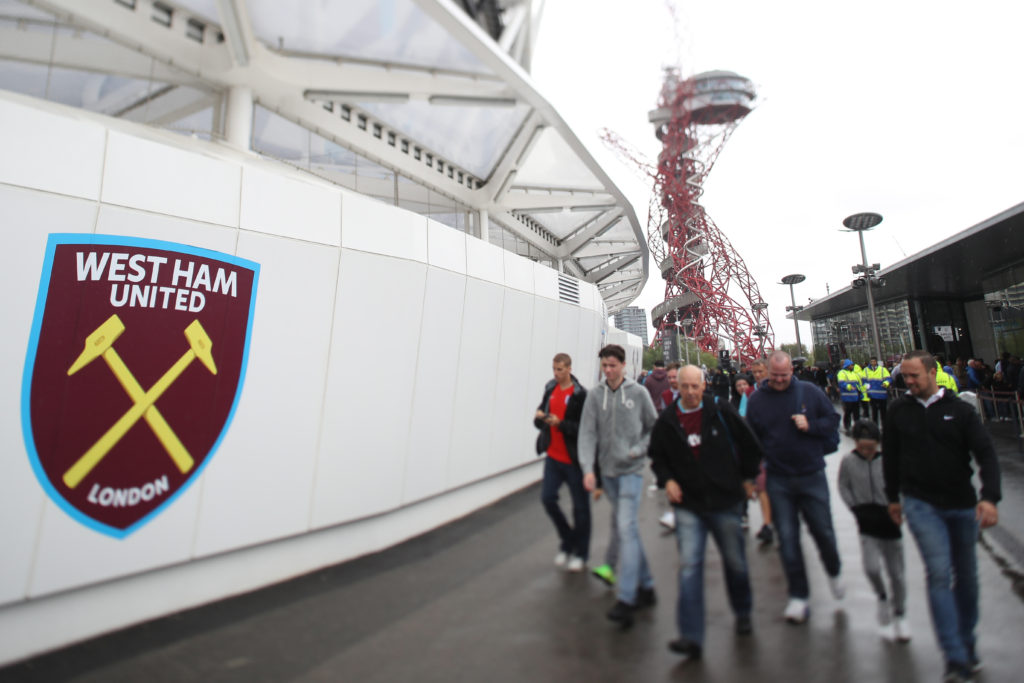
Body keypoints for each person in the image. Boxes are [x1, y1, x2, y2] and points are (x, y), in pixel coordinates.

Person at [884, 350, 1001, 682]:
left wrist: (989, 497)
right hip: (921, 504)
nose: (907, 382)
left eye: (914, 376)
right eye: (904, 376)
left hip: (961, 504)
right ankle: (954, 656)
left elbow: (986, 456)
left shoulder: (961, 411)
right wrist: (893, 498)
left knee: (966, 577)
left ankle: (967, 643)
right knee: (938, 573)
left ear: (932, 373)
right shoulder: (898, 411)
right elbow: (890, 457)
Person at [649, 365, 763, 660]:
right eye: (684, 386)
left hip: (725, 501)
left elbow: (750, 444)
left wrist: (748, 478)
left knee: (735, 562)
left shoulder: (720, 410)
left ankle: (743, 612)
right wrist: (668, 480)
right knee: (689, 569)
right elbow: (658, 457)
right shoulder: (668, 419)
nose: (689, 392)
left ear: (703, 385)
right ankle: (691, 636)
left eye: (694, 386)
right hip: (689, 505)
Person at [746, 351, 844, 624]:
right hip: (778, 478)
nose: (779, 381)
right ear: (767, 372)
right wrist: (752, 476)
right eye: (774, 376)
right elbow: (750, 441)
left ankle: (834, 571)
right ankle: (798, 596)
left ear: (792, 371)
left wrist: (810, 425)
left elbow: (832, 421)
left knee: (823, 531)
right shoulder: (757, 401)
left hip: (811, 474)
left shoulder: (810, 393)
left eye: (784, 376)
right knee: (787, 540)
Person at [578, 344, 659, 628]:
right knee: (628, 530)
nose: (608, 370)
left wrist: (638, 450)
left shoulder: (638, 393)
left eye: (613, 365)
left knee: (625, 528)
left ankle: (627, 599)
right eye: (605, 366)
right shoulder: (595, 396)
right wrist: (589, 469)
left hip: (632, 472)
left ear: (623, 365)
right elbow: (587, 434)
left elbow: (653, 427)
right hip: (608, 474)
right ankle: (647, 585)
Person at [838, 419, 910, 641]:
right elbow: (843, 485)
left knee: (896, 572)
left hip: (889, 519)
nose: (867, 451)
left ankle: (899, 613)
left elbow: (902, 485)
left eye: (872, 447)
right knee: (871, 568)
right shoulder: (849, 461)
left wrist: (899, 507)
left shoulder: (889, 461)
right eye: (862, 446)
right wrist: (854, 507)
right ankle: (881, 597)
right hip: (866, 521)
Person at [534, 353, 590, 572]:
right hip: (553, 457)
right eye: (554, 369)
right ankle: (568, 540)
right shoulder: (550, 388)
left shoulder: (579, 394)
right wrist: (540, 418)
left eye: (560, 369)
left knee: (580, 508)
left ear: (569, 369)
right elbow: (540, 419)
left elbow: (583, 429)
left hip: (573, 460)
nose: (556, 374)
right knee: (548, 499)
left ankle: (581, 553)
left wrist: (561, 424)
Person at [748, 359, 774, 545]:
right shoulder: (750, 393)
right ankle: (767, 523)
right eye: (755, 372)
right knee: (763, 486)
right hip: (760, 448)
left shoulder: (780, 388)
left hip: (780, 449)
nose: (758, 375)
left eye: (761, 371)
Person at [837, 358, 866, 434]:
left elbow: (858, 384)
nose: (853, 366)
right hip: (847, 397)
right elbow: (841, 383)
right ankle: (847, 425)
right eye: (851, 365)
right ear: (847, 365)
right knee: (848, 412)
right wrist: (849, 387)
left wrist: (861, 392)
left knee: (856, 412)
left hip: (855, 397)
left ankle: (857, 426)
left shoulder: (854, 374)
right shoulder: (842, 373)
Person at [863, 356, 891, 426]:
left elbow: (888, 379)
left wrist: (885, 383)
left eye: (874, 361)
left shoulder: (882, 369)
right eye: (872, 361)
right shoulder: (866, 370)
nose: (873, 363)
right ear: (870, 362)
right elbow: (864, 380)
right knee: (874, 412)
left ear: (876, 362)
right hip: (872, 395)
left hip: (882, 395)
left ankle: (885, 427)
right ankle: (875, 426)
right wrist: (868, 388)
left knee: (883, 412)